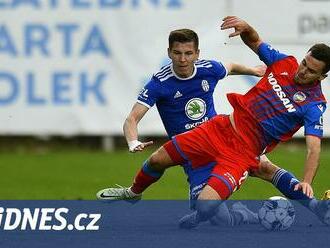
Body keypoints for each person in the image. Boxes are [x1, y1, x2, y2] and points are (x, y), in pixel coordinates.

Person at [96, 22, 330, 228]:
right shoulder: (285, 64)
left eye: (311, 71)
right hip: (217, 129)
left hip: (243, 152)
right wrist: (246, 28)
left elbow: (313, 147)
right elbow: (256, 42)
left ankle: (216, 215)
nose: (302, 71)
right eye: (303, 63)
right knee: (156, 160)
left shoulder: (314, 105)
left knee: (208, 207)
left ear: (322, 77)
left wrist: (307, 181)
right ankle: (133, 192)